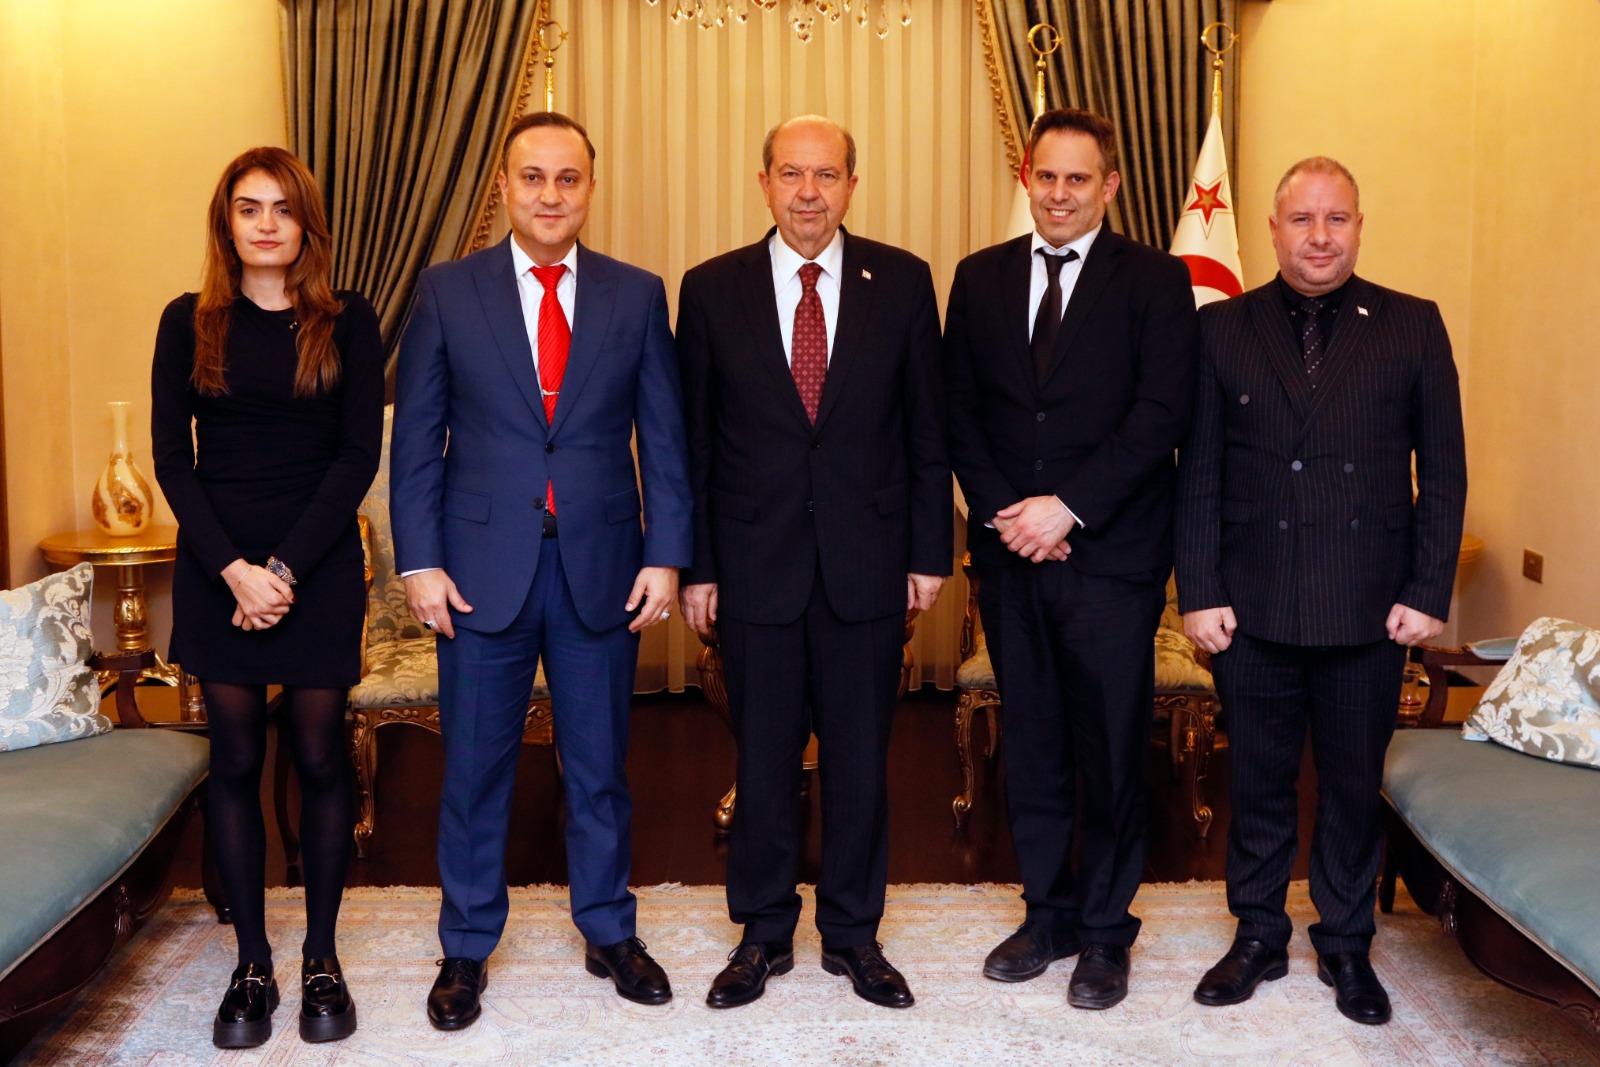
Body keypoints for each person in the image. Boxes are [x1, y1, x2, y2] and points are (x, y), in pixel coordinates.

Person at [391, 111, 692, 1030]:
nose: (550, 194)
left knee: (599, 766)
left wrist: (667, 554)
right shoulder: (447, 291)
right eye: (533, 177)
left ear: (590, 188)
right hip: (478, 571)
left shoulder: (636, 295)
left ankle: (609, 928)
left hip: (602, 565)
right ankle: (466, 944)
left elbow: (663, 437)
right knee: (475, 771)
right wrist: (420, 561)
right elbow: (418, 440)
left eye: (568, 178)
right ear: (504, 187)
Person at [1175, 157, 1467, 1025]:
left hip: (1367, 606)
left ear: (1359, 226)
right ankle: (1259, 934)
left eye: (1336, 219)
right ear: (1273, 230)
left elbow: (1443, 471)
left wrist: (1428, 588)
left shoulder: (1413, 324)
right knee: (1260, 781)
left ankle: (1345, 942)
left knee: (1348, 785)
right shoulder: (1221, 326)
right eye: (1301, 219)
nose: (1319, 236)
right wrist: (1199, 589)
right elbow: (1198, 472)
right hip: (1251, 605)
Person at [677, 115, 950, 1010]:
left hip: (867, 566)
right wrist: (697, 566)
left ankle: (854, 934)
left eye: (825, 175)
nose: (807, 192)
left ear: (851, 186)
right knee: (762, 763)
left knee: (860, 764)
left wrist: (927, 552)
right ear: (763, 183)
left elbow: (927, 431)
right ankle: (761, 933)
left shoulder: (902, 282)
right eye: (791, 173)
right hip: (752, 567)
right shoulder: (710, 289)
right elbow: (693, 445)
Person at [943, 108, 1199, 1010]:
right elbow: (957, 409)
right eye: (1046, 176)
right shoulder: (979, 276)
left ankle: (1105, 931)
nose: (1059, 194)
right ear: (1028, 177)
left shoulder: (1158, 281)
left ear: (1110, 186)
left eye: (1077, 179)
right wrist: (1011, 515)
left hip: (1111, 560)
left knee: (1112, 749)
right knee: (1035, 743)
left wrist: (1069, 508)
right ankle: (1046, 915)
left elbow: (1161, 414)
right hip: (1010, 556)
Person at [151, 146, 383, 1048]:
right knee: (237, 760)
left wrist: (280, 570)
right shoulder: (188, 321)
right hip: (219, 568)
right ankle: (252, 962)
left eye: (283, 209)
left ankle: (321, 954)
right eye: (249, 208)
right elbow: (174, 460)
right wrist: (235, 571)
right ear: (227, 222)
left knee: (322, 757)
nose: (266, 224)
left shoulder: (347, 320)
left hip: (315, 564)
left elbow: (356, 456)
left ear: (306, 224)